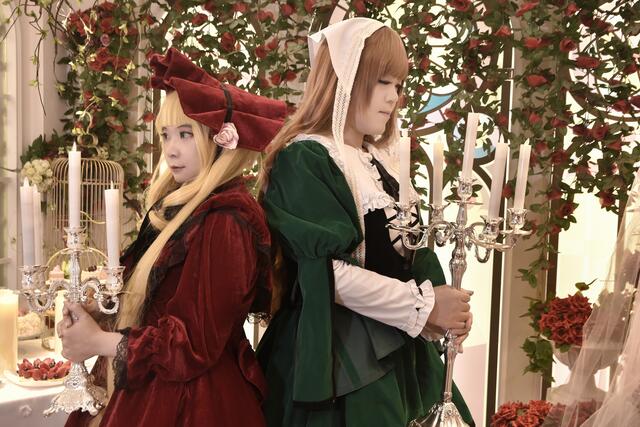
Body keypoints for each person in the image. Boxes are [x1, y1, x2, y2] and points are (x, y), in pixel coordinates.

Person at [257, 17, 475, 426]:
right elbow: (328, 273)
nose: (394, 97)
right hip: (341, 359)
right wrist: (425, 306)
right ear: (343, 80)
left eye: (399, 85)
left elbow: (413, 253)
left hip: (402, 351)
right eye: (382, 82)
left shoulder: (383, 162)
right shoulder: (305, 158)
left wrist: (447, 308)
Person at [58, 47, 286, 427]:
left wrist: (98, 342)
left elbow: (194, 344)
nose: (171, 149)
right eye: (165, 135)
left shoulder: (228, 221)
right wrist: (99, 311)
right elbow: (151, 299)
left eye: (185, 134)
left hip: (194, 402)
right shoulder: (181, 205)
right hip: (151, 386)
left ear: (220, 141)